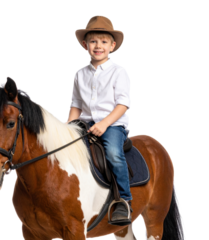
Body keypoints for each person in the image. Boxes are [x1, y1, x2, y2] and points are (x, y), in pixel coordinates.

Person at [67, 15, 133, 225]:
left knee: (113, 154)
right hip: (84, 124)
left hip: (112, 125)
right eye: (93, 41)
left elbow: (123, 104)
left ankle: (123, 199)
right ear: (85, 45)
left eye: (104, 42)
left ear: (112, 45)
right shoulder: (79, 74)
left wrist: (104, 124)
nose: (98, 46)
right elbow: (76, 106)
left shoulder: (120, 72)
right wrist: (66, 128)